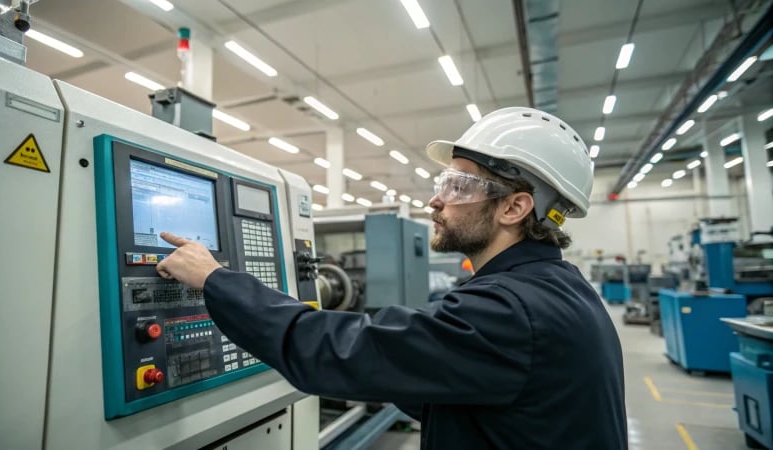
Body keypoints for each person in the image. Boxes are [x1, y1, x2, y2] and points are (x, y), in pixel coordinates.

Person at [157, 107, 628, 450]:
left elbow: (336, 350)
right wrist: (397, 369)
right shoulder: (559, 288)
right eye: (443, 184)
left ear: (514, 207)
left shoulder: (509, 311)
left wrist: (216, 280)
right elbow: (470, 396)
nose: (435, 201)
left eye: (459, 186)